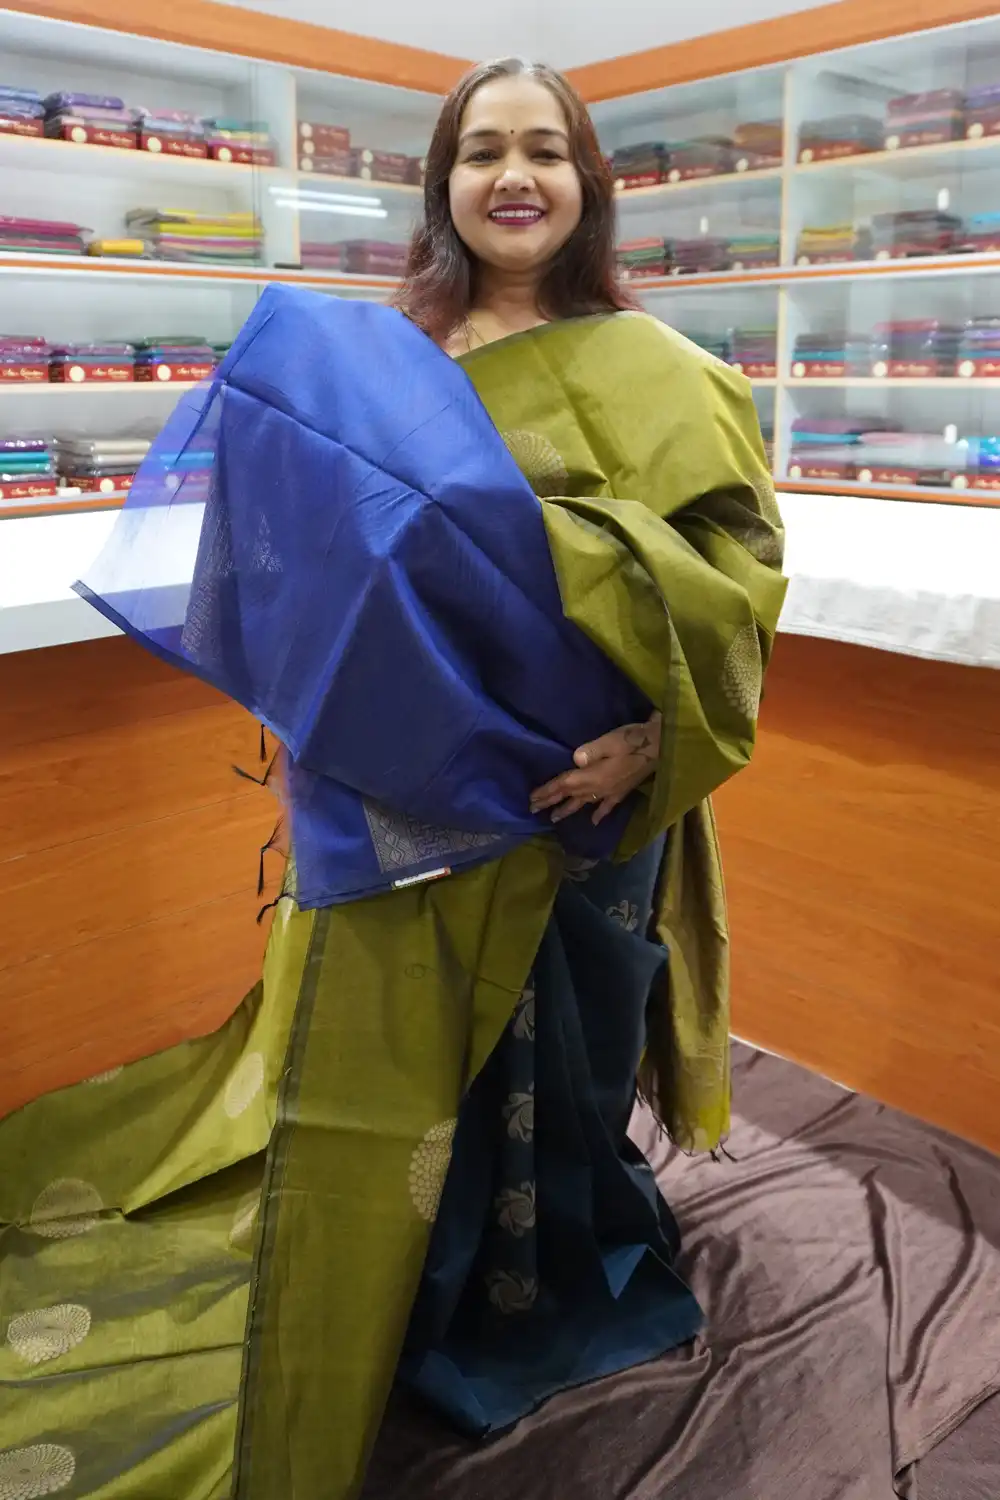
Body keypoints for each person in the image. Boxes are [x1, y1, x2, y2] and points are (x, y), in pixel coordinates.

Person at [0, 58, 785, 1500]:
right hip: (401, 800)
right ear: (442, 183)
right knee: (401, 1076)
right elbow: (288, 562)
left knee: (563, 1068)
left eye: (544, 150)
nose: (514, 177)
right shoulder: (379, 364)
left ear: (589, 181)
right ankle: (393, 1291)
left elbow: (736, 584)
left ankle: (551, 1289)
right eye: (482, 151)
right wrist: (321, 710)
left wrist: (655, 741)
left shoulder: (668, 373)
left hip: (585, 806)